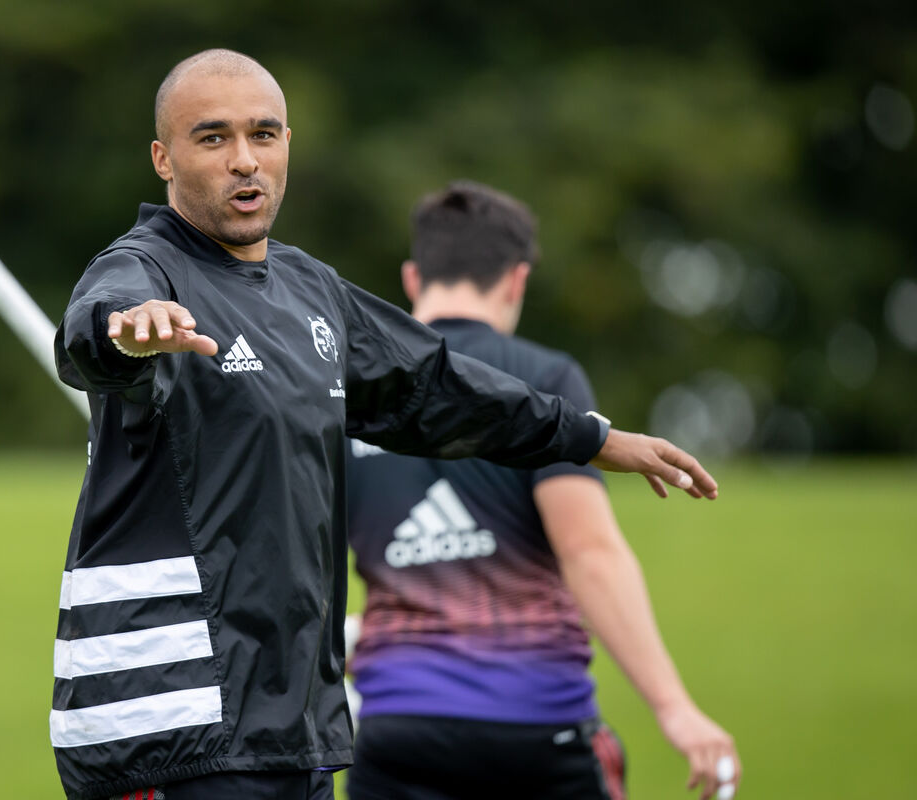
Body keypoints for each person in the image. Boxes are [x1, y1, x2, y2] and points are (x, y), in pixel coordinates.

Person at [52, 49, 718, 800]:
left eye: (263, 135)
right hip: (172, 723)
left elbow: (438, 384)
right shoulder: (142, 270)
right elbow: (95, 330)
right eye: (213, 139)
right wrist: (122, 333)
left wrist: (594, 439)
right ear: (162, 159)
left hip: (291, 728)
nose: (245, 161)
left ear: (287, 146)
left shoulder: (310, 290)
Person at [343, 181, 741, 800]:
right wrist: (673, 707)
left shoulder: (357, 395)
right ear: (517, 281)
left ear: (413, 278)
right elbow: (589, 552)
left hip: (395, 728)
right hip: (531, 724)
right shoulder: (544, 380)